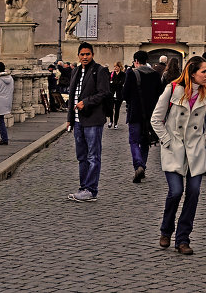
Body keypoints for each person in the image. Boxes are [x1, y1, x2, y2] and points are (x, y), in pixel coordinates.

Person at [150, 55, 206, 255]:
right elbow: (156, 119)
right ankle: (166, 230)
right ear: (192, 72)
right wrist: (167, 141)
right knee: (175, 191)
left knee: (194, 192)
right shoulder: (172, 89)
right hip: (174, 148)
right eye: (203, 71)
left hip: (196, 150)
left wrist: (205, 139)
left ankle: (183, 239)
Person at [67, 42, 111, 202]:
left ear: (92, 55)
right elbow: (72, 96)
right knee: (81, 156)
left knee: (93, 156)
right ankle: (83, 187)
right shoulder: (76, 71)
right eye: (82, 54)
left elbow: (104, 93)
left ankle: (91, 189)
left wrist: (86, 102)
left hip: (93, 120)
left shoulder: (99, 71)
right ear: (78, 55)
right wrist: (69, 119)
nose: (85, 57)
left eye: (88, 54)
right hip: (78, 121)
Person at [121, 49, 163, 183]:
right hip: (151, 115)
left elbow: (124, 94)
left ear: (136, 61)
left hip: (135, 113)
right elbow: (160, 95)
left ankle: (138, 165)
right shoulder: (155, 75)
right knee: (146, 142)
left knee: (134, 141)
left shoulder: (132, 74)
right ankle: (142, 167)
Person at [108, 61, 126, 128]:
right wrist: (114, 83)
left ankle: (115, 123)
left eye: (116, 66)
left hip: (119, 94)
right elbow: (109, 83)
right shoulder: (112, 74)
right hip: (112, 94)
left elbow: (121, 83)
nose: (115, 68)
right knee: (110, 108)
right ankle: (111, 121)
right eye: (114, 66)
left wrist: (114, 83)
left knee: (117, 109)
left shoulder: (123, 74)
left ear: (119, 67)